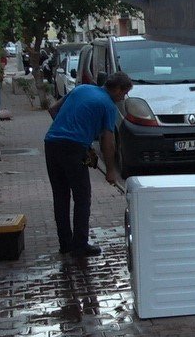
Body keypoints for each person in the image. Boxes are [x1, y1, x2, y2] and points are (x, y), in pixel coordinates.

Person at [44, 71, 132, 258]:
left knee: (61, 196)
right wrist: (110, 171)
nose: (123, 98)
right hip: (73, 149)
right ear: (116, 89)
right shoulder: (108, 105)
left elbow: (53, 110)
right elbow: (108, 142)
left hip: (51, 144)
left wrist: (73, 132)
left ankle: (66, 244)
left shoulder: (81, 89)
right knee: (82, 197)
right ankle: (80, 245)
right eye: (123, 94)